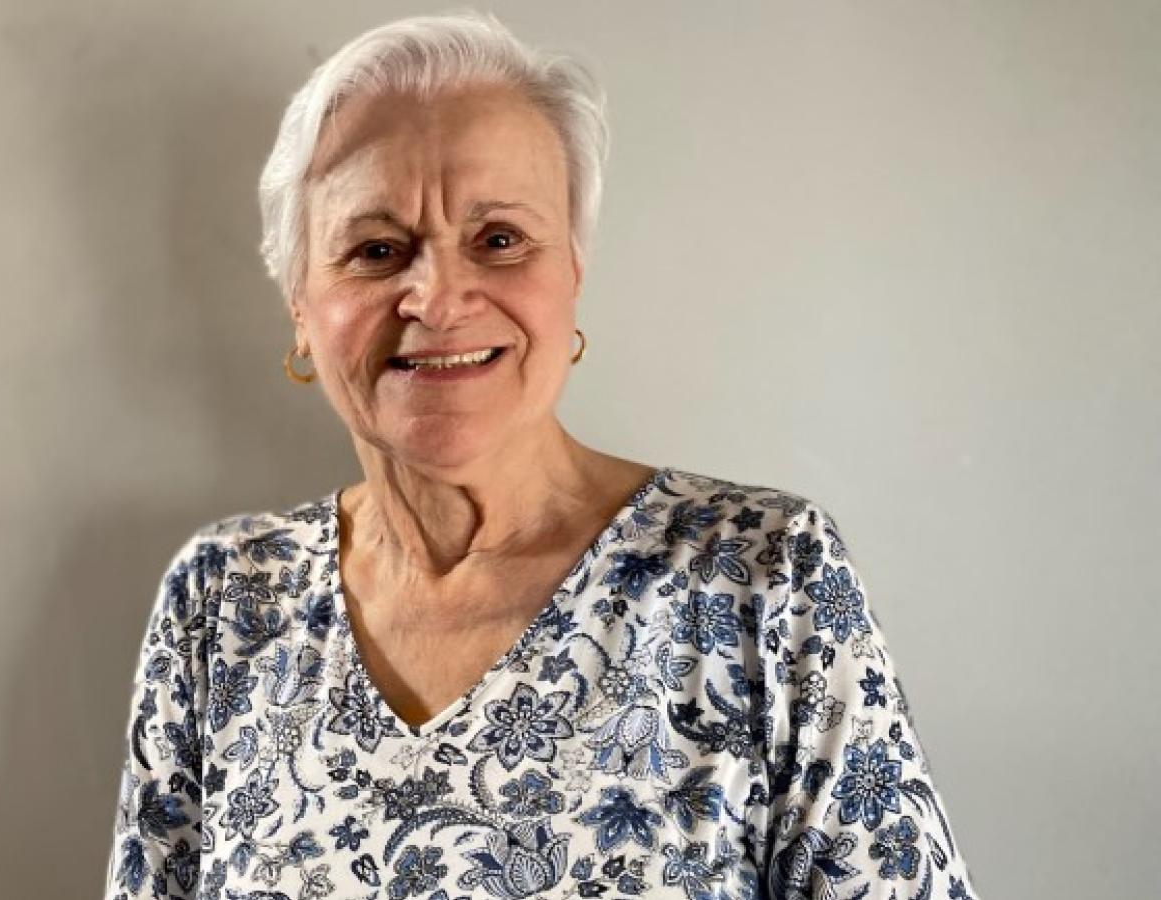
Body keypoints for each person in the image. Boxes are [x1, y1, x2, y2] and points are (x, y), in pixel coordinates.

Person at [104, 12, 979, 900]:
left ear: (573, 272)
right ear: (300, 301)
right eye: (376, 251)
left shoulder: (761, 576)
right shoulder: (224, 599)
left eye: (499, 241)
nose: (437, 299)